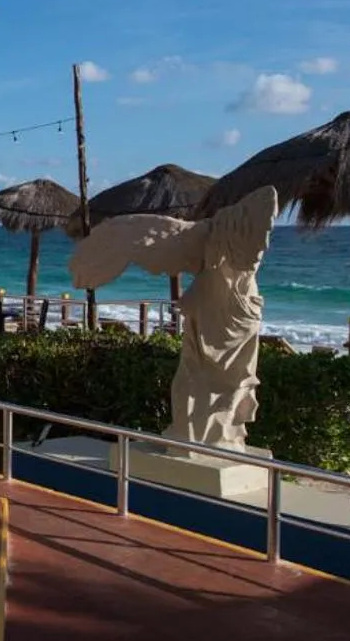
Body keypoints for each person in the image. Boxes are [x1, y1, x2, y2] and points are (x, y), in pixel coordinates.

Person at [68, 187, 280, 450]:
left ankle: (204, 433)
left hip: (226, 313)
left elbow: (146, 235)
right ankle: (210, 434)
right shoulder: (238, 243)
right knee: (221, 379)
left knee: (203, 378)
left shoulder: (213, 239)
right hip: (239, 311)